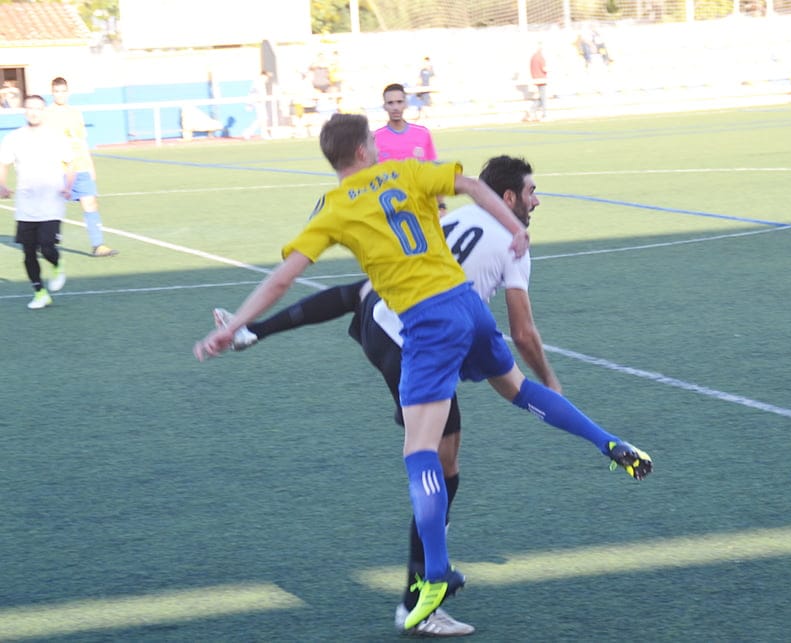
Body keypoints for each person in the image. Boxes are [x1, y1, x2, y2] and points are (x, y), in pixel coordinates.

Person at [193, 114, 652, 632]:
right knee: (519, 390)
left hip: (426, 325)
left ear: (338, 160)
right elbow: (474, 185)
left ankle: (433, 570)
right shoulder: (408, 172)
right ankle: (607, 442)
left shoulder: (334, 210)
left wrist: (237, 326)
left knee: (419, 451)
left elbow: (281, 280)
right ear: (366, 150)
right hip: (468, 305)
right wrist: (515, 227)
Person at [210, 155, 560, 635]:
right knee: (438, 463)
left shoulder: (450, 218)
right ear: (508, 199)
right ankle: (417, 599)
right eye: (532, 191)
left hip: (383, 321)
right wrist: (550, 387)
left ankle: (255, 332)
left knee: (363, 292)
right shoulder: (512, 241)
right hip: (415, 345)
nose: (537, 200)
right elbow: (523, 332)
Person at [0, 95, 74, 309]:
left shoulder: (56, 137)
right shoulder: (14, 138)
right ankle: (40, 292)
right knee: (28, 251)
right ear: (24, 111)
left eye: (38, 108)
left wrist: (68, 186)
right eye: (30, 108)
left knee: (47, 246)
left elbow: (70, 164)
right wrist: (2, 184)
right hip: (25, 204)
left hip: (52, 201)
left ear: (44, 111)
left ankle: (57, 264)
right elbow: (3, 164)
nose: (34, 112)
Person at [46, 77, 119, 256]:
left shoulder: (76, 113)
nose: (60, 95)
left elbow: (81, 140)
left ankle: (98, 245)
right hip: (60, 169)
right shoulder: (46, 115)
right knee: (53, 207)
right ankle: (48, 241)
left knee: (90, 202)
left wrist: (90, 165)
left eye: (63, 91)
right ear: (52, 92)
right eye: (57, 91)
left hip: (81, 166)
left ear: (68, 92)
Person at [375, 83, 444, 210]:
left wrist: (441, 205)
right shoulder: (374, 138)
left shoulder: (422, 133)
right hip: (389, 209)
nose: (395, 107)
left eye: (399, 102)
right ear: (384, 106)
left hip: (421, 206)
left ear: (406, 104)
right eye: (390, 103)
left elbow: (433, 172)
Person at [528, 43, 548, 122]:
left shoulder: (533, 57)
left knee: (541, 97)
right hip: (541, 79)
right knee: (543, 98)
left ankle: (531, 111)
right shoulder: (540, 57)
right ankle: (544, 115)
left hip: (535, 78)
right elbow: (544, 68)